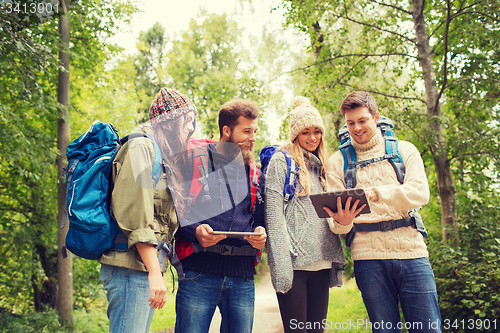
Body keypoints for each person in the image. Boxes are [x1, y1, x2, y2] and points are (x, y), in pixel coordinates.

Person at [324, 91, 441, 333]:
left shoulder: (405, 150)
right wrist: (342, 222)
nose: (356, 128)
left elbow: (420, 193)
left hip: (412, 253)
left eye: (362, 120)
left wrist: (376, 193)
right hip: (368, 258)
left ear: (375, 117)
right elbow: (336, 223)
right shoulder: (336, 162)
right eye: (351, 122)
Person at [98, 87, 197, 333]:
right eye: (187, 122)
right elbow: (134, 214)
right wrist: (154, 271)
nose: (190, 129)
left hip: (140, 269)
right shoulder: (141, 147)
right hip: (130, 270)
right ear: (172, 121)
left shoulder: (160, 154)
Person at [174, 98, 267, 333]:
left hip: (242, 277)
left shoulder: (255, 172)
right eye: (246, 131)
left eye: (254, 131)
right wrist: (194, 231)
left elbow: (260, 218)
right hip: (198, 272)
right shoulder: (192, 161)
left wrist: (260, 232)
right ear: (226, 130)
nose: (253, 137)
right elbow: (172, 212)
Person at [265, 96, 346, 333]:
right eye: (305, 132)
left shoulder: (323, 165)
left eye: (317, 131)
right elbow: (273, 217)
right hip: (294, 265)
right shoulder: (281, 161)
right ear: (295, 135)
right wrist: (280, 266)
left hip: (321, 262)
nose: (312, 138)